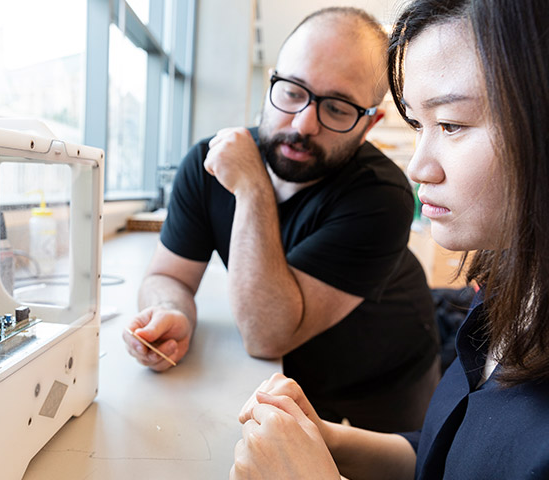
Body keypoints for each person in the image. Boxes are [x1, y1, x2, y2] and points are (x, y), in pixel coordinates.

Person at [231, 0, 549, 478]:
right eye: (420, 125)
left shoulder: (377, 195)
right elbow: (449, 456)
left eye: (452, 124)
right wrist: (326, 440)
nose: (419, 168)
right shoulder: (512, 293)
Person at [123, 7, 440, 433]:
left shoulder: (383, 195)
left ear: (370, 124)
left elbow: (265, 334)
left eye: (338, 107)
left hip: (385, 373)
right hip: (291, 370)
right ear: (272, 82)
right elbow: (170, 275)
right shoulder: (208, 162)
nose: (304, 123)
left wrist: (253, 188)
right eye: (292, 91)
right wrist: (170, 310)